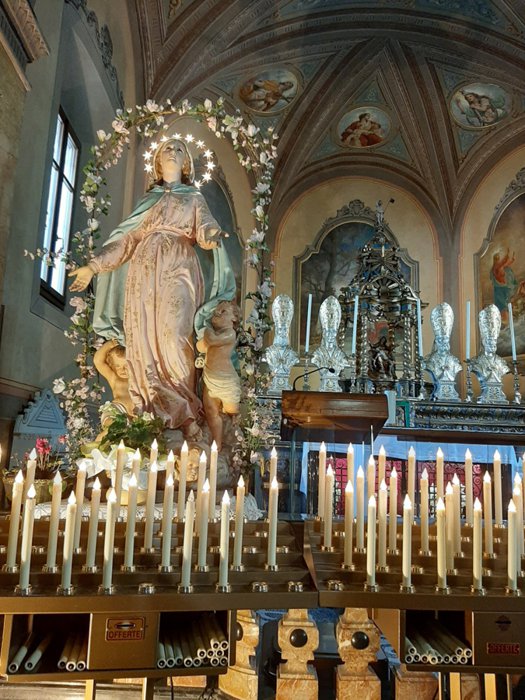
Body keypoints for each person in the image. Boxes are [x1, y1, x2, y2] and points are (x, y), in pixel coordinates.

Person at [69, 138, 231, 441]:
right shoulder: (149, 199)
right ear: (156, 160)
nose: (172, 151)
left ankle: (183, 413)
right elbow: (127, 240)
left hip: (179, 268)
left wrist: (210, 234)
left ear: (186, 163)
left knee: (176, 337)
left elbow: (206, 226)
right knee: (142, 339)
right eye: (167, 148)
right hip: (143, 275)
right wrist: (94, 266)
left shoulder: (194, 197)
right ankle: (149, 415)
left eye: (179, 149)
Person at [196, 300, 241, 450]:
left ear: (234, 318)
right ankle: (217, 445)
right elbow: (201, 347)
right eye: (216, 311)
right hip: (210, 378)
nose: (217, 313)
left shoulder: (230, 333)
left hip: (226, 381)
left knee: (232, 412)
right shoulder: (214, 334)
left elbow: (212, 340)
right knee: (211, 412)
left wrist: (206, 329)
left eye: (223, 312)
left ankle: (237, 442)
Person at [93, 339, 135, 424]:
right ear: (112, 366)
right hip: (119, 408)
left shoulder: (138, 378)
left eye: (126, 366)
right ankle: (109, 428)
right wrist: (110, 344)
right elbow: (98, 361)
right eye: (117, 366)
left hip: (137, 412)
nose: (122, 369)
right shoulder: (114, 378)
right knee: (111, 423)